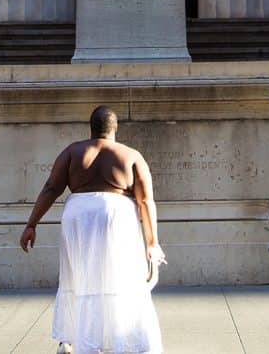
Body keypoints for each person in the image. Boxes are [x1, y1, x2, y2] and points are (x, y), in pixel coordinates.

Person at [20, 106, 165, 354]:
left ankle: (73, 339)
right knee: (120, 277)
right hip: (116, 213)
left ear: (91, 128)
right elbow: (145, 201)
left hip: (78, 215)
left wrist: (31, 224)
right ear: (114, 129)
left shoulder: (73, 152)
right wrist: (152, 242)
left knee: (79, 276)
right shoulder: (130, 155)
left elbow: (50, 188)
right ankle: (120, 340)